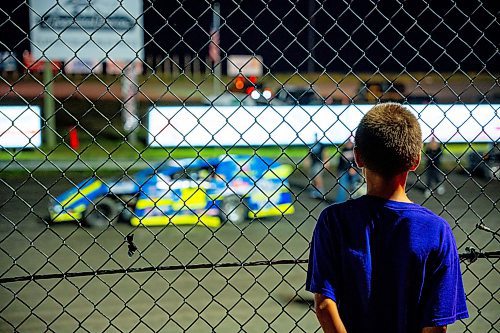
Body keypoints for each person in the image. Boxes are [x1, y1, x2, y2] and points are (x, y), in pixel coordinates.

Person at [306, 103, 468, 333]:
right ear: (415, 160)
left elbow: (323, 304)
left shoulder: (334, 220)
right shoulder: (437, 230)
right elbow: (436, 324)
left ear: (359, 158)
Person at [309, 133, 327, 199]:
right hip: (313, 163)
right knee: (314, 178)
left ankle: (321, 192)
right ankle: (316, 191)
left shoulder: (321, 145)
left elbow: (325, 153)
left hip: (319, 163)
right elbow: (309, 155)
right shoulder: (311, 145)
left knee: (318, 177)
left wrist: (326, 161)